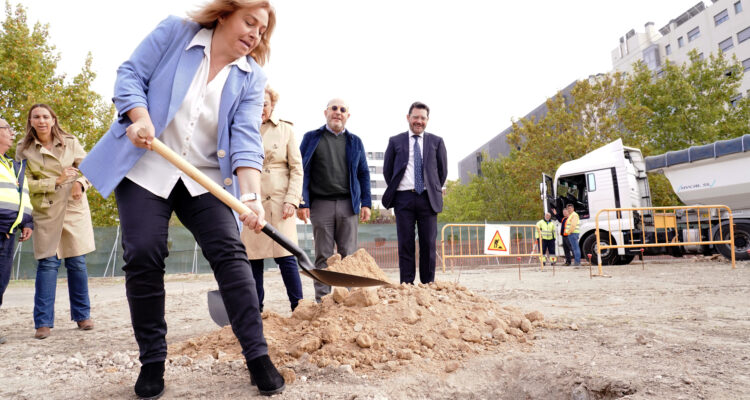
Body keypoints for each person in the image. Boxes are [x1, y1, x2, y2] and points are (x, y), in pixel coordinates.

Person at [78, 2, 285, 397]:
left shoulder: (251, 77)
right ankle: (152, 361)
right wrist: (139, 116)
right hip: (146, 163)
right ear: (225, 14)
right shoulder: (176, 33)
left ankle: (258, 356)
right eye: (249, 21)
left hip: (202, 177)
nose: (255, 34)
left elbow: (245, 138)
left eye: (262, 30)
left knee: (229, 251)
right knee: (143, 252)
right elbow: (130, 75)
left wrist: (252, 196)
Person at [16, 104, 95, 341]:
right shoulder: (23, 148)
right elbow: (23, 183)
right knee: (47, 265)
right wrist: (56, 181)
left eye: (45, 116)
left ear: (53, 119)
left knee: (77, 262)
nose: (41, 121)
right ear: (30, 121)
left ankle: (82, 316)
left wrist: (80, 183)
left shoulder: (71, 142)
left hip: (73, 208)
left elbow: (90, 167)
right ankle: (43, 322)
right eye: (36, 117)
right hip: (45, 210)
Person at [297, 98, 371, 302]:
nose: (338, 112)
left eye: (342, 109)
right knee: (323, 255)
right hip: (321, 205)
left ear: (348, 115)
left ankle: (348, 297)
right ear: (325, 113)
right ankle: (323, 300)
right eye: (334, 108)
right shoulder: (311, 138)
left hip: (349, 205)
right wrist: (302, 202)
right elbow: (301, 171)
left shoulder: (355, 141)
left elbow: (363, 173)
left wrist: (366, 203)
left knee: (349, 255)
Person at [241, 85, 303, 312]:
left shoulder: (286, 130)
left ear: (272, 105)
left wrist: (292, 200)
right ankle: (254, 310)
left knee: (286, 256)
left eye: (264, 104)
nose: (261, 109)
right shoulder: (242, 128)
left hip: (279, 203)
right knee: (253, 258)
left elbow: (297, 169)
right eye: (256, 104)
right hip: (250, 199)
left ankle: (299, 307)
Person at [382, 102, 447, 284]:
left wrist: (433, 188)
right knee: (406, 244)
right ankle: (407, 286)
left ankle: (428, 285)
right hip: (404, 199)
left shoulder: (436, 142)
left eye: (423, 118)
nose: (419, 121)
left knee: (428, 244)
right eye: (415, 117)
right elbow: (388, 171)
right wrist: (399, 188)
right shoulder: (395, 141)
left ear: (427, 120)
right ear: (408, 118)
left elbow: (442, 172)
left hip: (428, 199)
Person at [0, 118, 33, 345]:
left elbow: (23, 196)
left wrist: (27, 222)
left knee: (1, 282)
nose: (12, 133)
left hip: (8, 232)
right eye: (7, 128)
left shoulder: (13, 165)